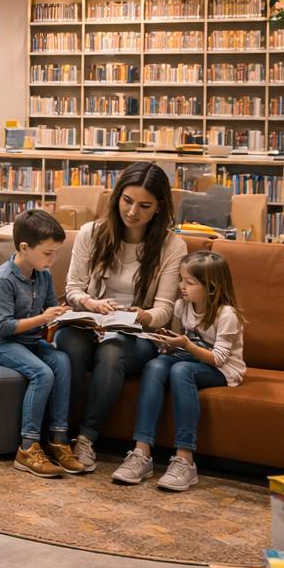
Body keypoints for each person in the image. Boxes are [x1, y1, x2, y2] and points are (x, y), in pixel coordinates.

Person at [58, 161, 188, 472]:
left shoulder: (172, 246)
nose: (132, 212)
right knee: (68, 342)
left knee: (113, 350)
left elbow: (165, 310)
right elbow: (73, 288)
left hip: (136, 334)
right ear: (117, 196)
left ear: (159, 208)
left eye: (145, 206)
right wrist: (90, 303)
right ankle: (59, 434)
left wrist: (142, 316)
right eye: (127, 201)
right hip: (91, 321)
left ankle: (86, 438)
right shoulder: (92, 233)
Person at [113, 251, 246, 492]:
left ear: (212, 287)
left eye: (189, 282)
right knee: (154, 365)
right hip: (188, 357)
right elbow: (174, 344)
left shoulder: (227, 315)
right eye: (181, 280)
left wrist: (185, 344)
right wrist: (161, 341)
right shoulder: (181, 306)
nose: (181, 286)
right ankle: (141, 452)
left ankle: (185, 458)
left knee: (181, 371)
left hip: (224, 369)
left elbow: (218, 358)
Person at [0, 209, 90, 478]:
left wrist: (73, 315)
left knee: (63, 362)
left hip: (28, 341)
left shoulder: (43, 275)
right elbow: (3, 327)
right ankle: (28, 447)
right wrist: (44, 317)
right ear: (25, 248)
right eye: (48, 253)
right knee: (42, 373)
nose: (53, 260)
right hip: (0, 342)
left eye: (56, 253)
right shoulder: (3, 279)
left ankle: (59, 441)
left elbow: (51, 306)